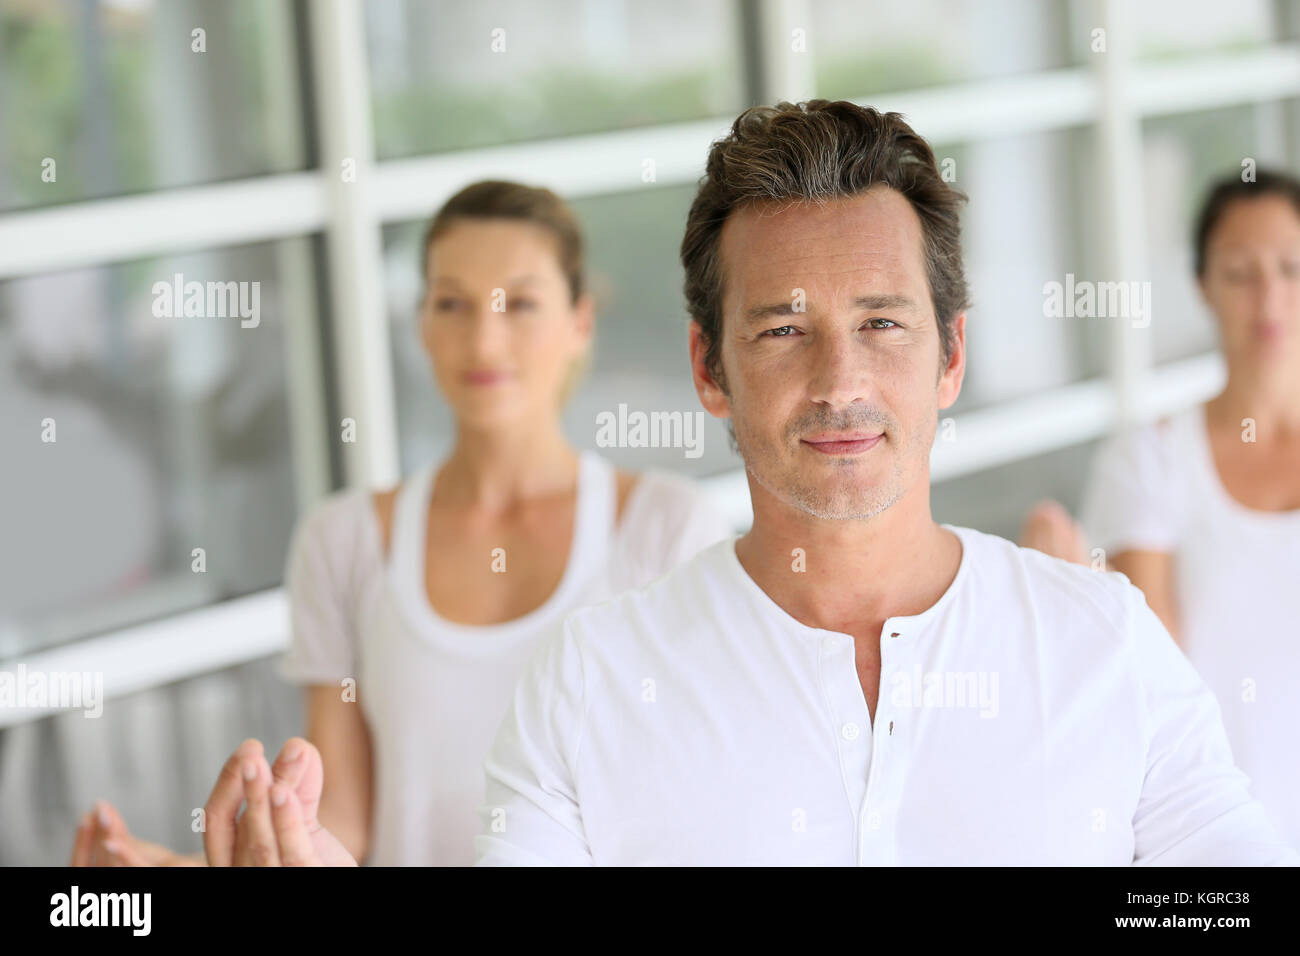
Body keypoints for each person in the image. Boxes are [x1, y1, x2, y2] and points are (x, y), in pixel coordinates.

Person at [193, 102, 1297, 867]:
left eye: (882, 323)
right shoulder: (592, 677)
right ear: (707, 368)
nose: (840, 381)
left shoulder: (1101, 639)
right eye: (781, 329)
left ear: (950, 356)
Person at [70, 179, 732, 867]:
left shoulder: (670, 531)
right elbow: (340, 830)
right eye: (452, 303)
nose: (483, 337)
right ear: (421, 323)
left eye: (522, 303)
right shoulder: (344, 541)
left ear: (580, 322)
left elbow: (708, 812)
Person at [1023, 169, 1300, 850]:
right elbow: (1152, 679)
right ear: (1203, 284)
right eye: (1240, 272)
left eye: (1290, 267)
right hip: (1217, 844)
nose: (1269, 297)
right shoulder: (1150, 460)